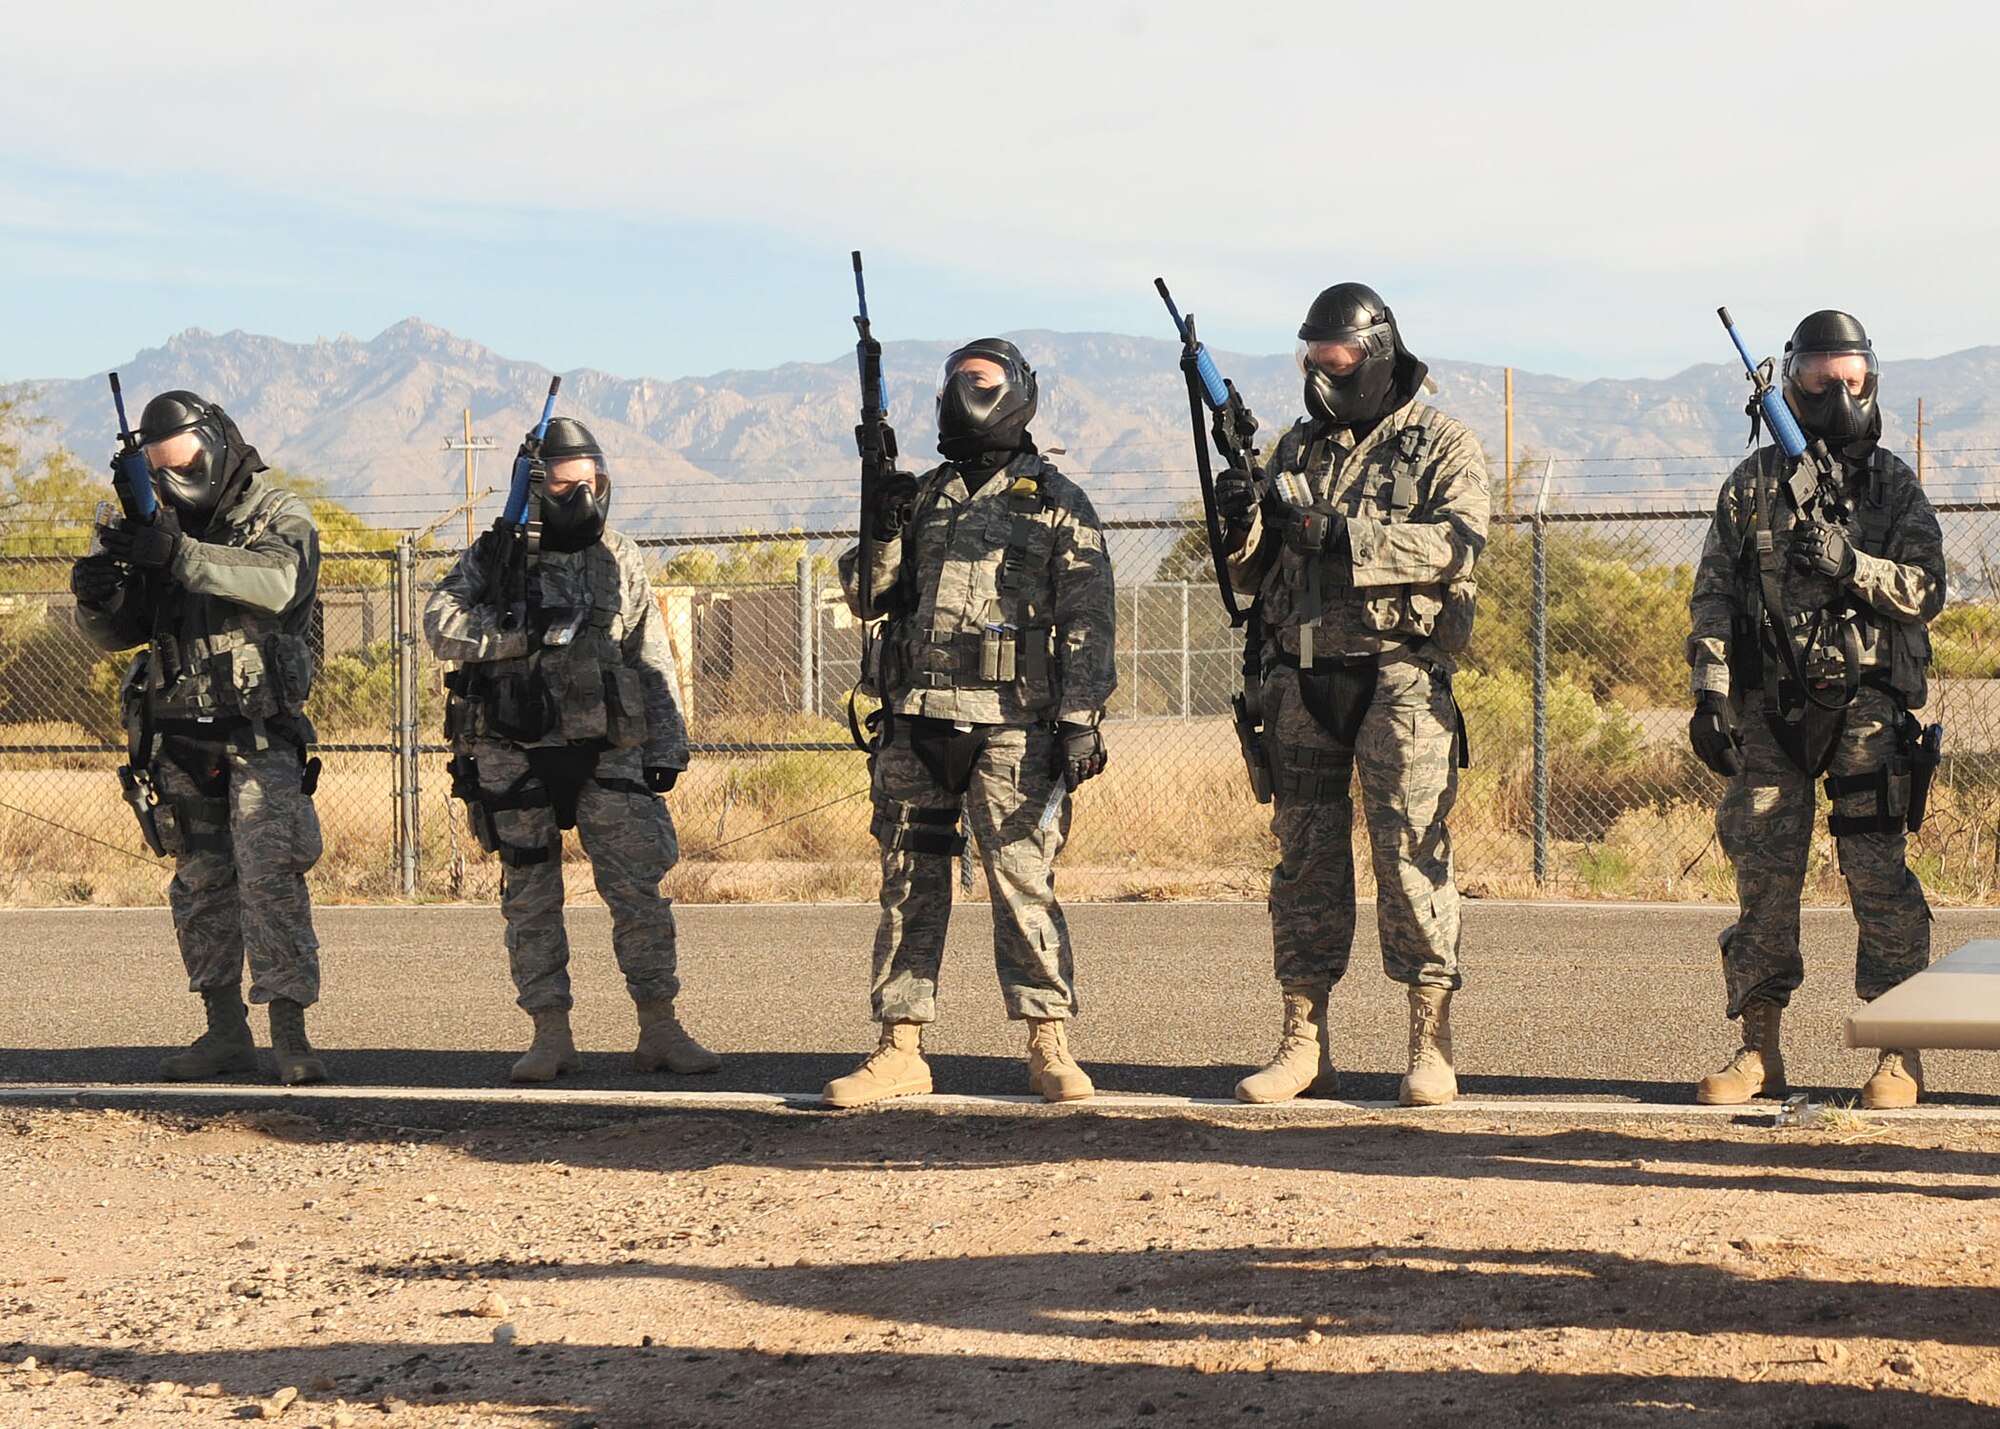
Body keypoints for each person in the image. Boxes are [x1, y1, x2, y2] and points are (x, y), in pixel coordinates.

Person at [824, 338, 1116, 1107]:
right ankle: (899, 1047)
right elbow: (866, 593)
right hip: (917, 721)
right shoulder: (922, 495)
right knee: (907, 884)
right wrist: (881, 520)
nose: (964, 392)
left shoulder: (1056, 500)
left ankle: (1048, 1041)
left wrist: (1081, 718)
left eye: (980, 380)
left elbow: (1088, 619)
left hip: (1014, 726)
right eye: (954, 381)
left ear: (1018, 393)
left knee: (1022, 885)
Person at [1218, 284, 1489, 1107]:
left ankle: (1429, 1040)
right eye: (1312, 362)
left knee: (1411, 857)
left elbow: (1458, 543)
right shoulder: (1297, 450)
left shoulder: (1443, 441)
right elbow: (1251, 576)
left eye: (1337, 362)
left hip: (1400, 677)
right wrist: (1240, 524)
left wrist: (1346, 537)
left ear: (1375, 356)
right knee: (1304, 862)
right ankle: (1305, 1042)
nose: (1323, 377)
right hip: (1301, 676)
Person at [1687, 310, 1944, 1109]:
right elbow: (1715, 599)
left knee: (1878, 878)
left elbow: (1926, 590)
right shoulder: (1754, 484)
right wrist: (1711, 692)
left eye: (1852, 371)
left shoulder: (1893, 484)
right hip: (1773, 712)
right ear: (1793, 378)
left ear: (1872, 376)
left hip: (1867, 709)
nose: (1837, 386)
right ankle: (1759, 1046)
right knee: (1764, 878)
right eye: (1819, 372)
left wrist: (1853, 564)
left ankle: (1898, 1050)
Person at [425, 417, 717, 1084]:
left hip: (609, 746)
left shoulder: (619, 554)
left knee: (639, 891)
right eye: (561, 485)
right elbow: (440, 625)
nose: (576, 496)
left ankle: (660, 1029)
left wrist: (668, 742)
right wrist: (515, 633)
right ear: (535, 486)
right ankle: (549, 1034)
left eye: (587, 484)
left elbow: (650, 651)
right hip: (513, 750)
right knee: (529, 898)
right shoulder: (496, 554)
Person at [70, 390, 329, 1084]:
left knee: (272, 881)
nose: (173, 482)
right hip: (179, 734)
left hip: (258, 732)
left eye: (181, 464)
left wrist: (178, 552)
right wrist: (99, 593)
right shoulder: (153, 524)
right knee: (200, 885)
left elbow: (278, 582)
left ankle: (291, 1037)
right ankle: (224, 1033)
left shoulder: (278, 512)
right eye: (158, 471)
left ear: (215, 446)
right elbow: (118, 632)